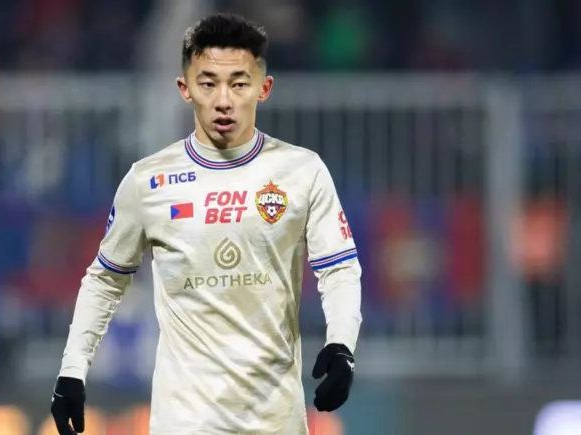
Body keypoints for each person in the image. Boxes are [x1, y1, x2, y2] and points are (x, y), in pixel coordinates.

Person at [51, 12, 362, 435]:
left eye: (239, 83)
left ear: (264, 88)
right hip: (184, 422)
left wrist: (342, 344)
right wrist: (73, 370)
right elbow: (105, 280)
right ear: (185, 89)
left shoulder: (302, 172)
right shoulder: (149, 181)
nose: (223, 100)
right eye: (208, 83)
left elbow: (339, 268)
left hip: (274, 422)